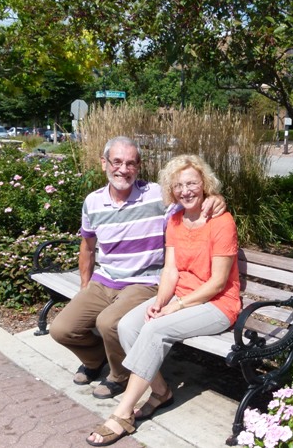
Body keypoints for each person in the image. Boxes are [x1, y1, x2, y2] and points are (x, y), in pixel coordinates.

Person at [49, 137, 225, 399]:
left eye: (131, 163)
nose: (124, 169)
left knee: (109, 323)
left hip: (144, 282)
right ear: (104, 163)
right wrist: (85, 287)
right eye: (117, 162)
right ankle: (96, 358)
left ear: (139, 167)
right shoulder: (92, 202)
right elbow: (87, 247)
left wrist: (216, 197)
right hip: (103, 281)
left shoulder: (156, 195)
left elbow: (191, 199)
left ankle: (119, 375)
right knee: (61, 329)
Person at [86, 154, 241, 446]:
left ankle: (122, 413)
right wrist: (160, 301)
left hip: (216, 305)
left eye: (192, 183)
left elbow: (218, 283)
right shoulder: (176, 221)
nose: (186, 191)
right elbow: (170, 270)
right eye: (178, 185)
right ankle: (161, 392)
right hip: (181, 296)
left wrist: (175, 307)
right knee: (127, 325)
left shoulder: (222, 221)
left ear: (205, 184)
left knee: (156, 329)